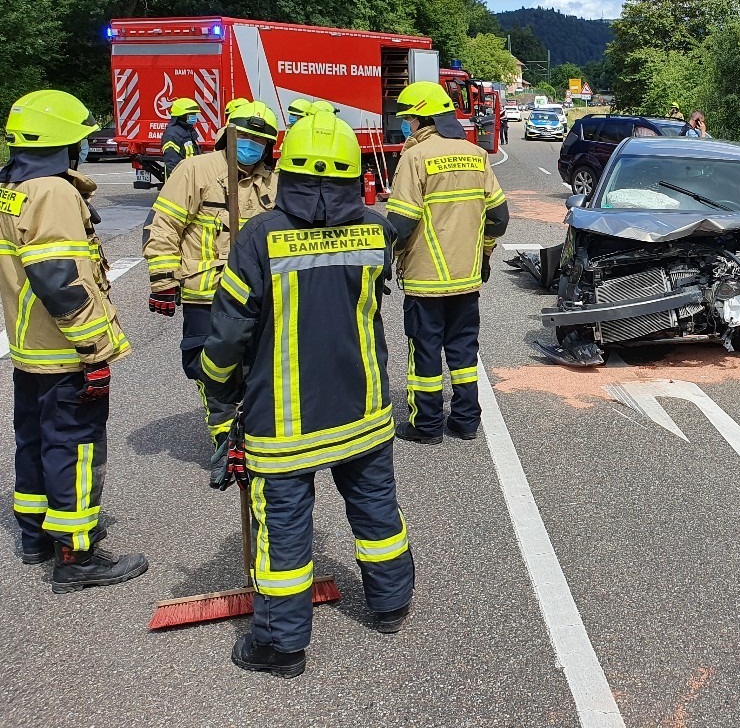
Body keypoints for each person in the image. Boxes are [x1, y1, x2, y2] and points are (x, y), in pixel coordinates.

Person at [200, 111, 414, 677]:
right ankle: (391, 605)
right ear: (354, 172)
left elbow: (227, 335)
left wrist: (218, 395)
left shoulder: (259, 237)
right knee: (377, 512)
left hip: (285, 424)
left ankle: (280, 644)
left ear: (285, 169)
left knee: (286, 535)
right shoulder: (376, 230)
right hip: (364, 408)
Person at [0, 90, 147, 590]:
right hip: (64, 351)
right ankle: (76, 554)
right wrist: (93, 349)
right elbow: (60, 279)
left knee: (35, 442)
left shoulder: (11, 188)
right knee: (76, 447)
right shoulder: (54, 193)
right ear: (63, 143)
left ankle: (36, 537)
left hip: (30, 349)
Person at [387, 82, 508, 444]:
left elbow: (401, 224)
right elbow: (499, 217)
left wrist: (386, 260)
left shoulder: (415, 157)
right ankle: (465, 421)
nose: (406, 124)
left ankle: (426, 426)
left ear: (421, 118)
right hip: (467, 278)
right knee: (463, 350)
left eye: (408, 118)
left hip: (426, 279)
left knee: (424, 351)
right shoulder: (475, 154)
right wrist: (484, 255)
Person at [143, 102, 279, 391]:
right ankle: (223, 432)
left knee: (257, 369)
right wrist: (163, 280)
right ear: (228, 135)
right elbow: (164, 225)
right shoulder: (195, 171)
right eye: (244, 136)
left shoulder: (271, 182)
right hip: (207, 295)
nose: (251, 145)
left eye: (259, 140)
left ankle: (243, 428)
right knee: (211, 373)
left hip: (257, 297)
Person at [161, 98, 202, 177]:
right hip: (181, 179)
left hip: (190, 176)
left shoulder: (188, 130)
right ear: (182, 116)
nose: (194, 117)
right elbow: (171, 163)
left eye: (194, 114)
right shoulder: (172, 134)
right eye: (191, 114)